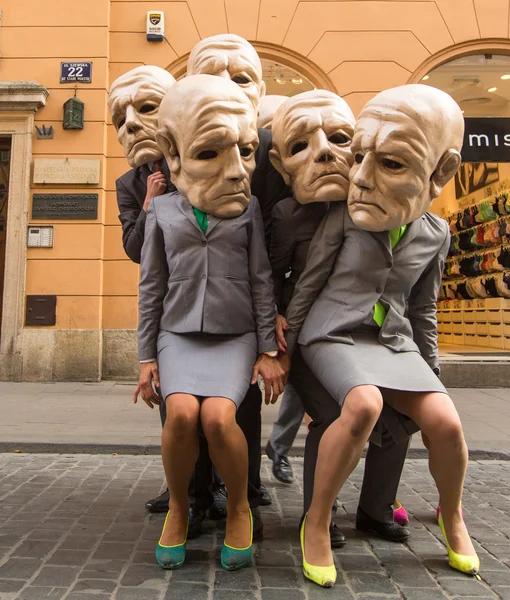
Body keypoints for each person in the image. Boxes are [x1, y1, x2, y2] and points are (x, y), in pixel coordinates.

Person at [280, 84, 479, 587]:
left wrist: (430, 372)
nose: (361, 178)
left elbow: (423, 306)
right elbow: (307, 286)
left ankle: (452, 515)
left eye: (390, 164)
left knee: (446, 422)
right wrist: (283, 356)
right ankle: (318, 522)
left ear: (441, 173)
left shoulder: (437, 233)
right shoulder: (345, 217)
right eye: (360, 155)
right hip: (334, 336)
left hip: (393, 342)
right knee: (363, 405)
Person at [135, 75, 285, 571]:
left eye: (243, 152)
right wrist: (146, 356)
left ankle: (239, 507)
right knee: (180, 416)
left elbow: (261, 280)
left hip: (235, 334)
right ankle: (179, 509)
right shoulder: (161, 211)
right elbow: (151, 286)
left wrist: (268, 350)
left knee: (219, 418)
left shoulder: (248, 210)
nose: (236, 170)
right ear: (173, 157)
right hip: (177, 333)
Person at [267, 90, 412, 545]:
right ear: (280, 165)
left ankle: (375, 507)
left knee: (399, 420)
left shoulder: (377, 204)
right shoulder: (288, 216)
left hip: (368, 334)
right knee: (330, 416)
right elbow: (269, 275)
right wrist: (272, 326)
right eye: (301, 146)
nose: (325, 152)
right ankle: (318, 513)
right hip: (309, 331)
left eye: (339, 137)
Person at [108, 66, 227, 533]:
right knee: (176, 409)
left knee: (217, 408)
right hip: (172, 310)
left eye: (145, 108)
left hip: (219, 305)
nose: (131, 124)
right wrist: (149, 203)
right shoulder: (129, 185)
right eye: (119, 118)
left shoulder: (209, 160)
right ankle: (184, 490)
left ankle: (220, 487)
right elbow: (136, 252)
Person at [186, 33, 290, 523]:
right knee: (183, 402)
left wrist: (275, 307)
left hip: (250, 297)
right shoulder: (181, 140)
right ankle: (190, 489)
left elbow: (280, 233)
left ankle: (244, 485)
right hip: (189, 301)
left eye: (241, 76)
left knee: (241, 399)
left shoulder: (270, 150)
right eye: (212, 74)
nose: (228, 84)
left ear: (260, 88)